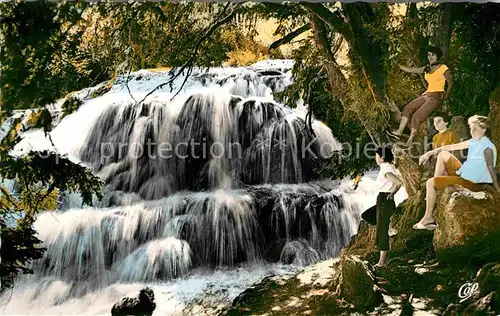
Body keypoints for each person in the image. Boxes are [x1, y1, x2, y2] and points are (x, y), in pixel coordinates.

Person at [414, 115, 499, 230]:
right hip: (464, 172)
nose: (472, 132)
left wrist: (497, 189)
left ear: (483, 129)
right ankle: (437, 190)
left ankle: (428, 217)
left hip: (471, 182)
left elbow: (491, 169)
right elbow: (451, 147)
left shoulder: (487, 147)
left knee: (430, 182)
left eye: (475, 129)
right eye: (470, 129)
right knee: (443, 154)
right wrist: (428, 154)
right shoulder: (474, 141)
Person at [390, 46, 453, 146]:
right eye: (429, 55)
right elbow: (412, 70)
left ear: (438, 56)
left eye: (433, 55)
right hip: (426, 95)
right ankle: (399, 131)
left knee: (417, 116)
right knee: (408, 108)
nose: (430, 57)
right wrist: (399, 66)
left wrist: (445, 96)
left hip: (436, 96)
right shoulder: (427, 68)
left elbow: (450, 82)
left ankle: (410, 140)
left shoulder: (443, 68)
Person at [361, 146, 403, 267]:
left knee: (382, 232)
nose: (375, 158)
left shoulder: (386, 168)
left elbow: (399, 182)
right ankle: (389, 226)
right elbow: (395, 165)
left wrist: (392, 193)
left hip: (385, 199)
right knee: (366, 215)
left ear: (382, 157)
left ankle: (381, 262)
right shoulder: (389, 165)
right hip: (383, 201)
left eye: (376, 155)